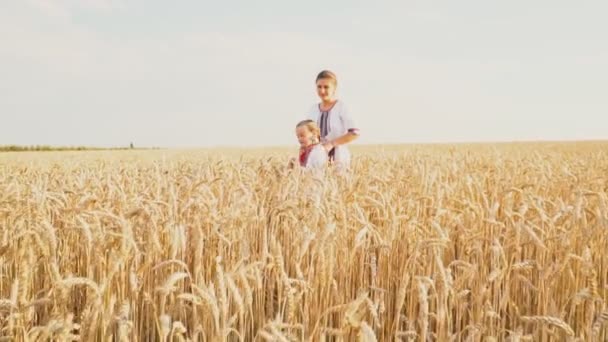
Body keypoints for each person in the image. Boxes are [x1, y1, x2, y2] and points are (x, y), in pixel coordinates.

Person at [306, 70, 360, 169]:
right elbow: (307, 135)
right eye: (319, 87)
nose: (322, 91)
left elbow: (354, 133)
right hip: (317, 156)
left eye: (326, 87)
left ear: (334, 88)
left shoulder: (342, 107)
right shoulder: (312, 110)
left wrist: (331, 143)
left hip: (338, 156)